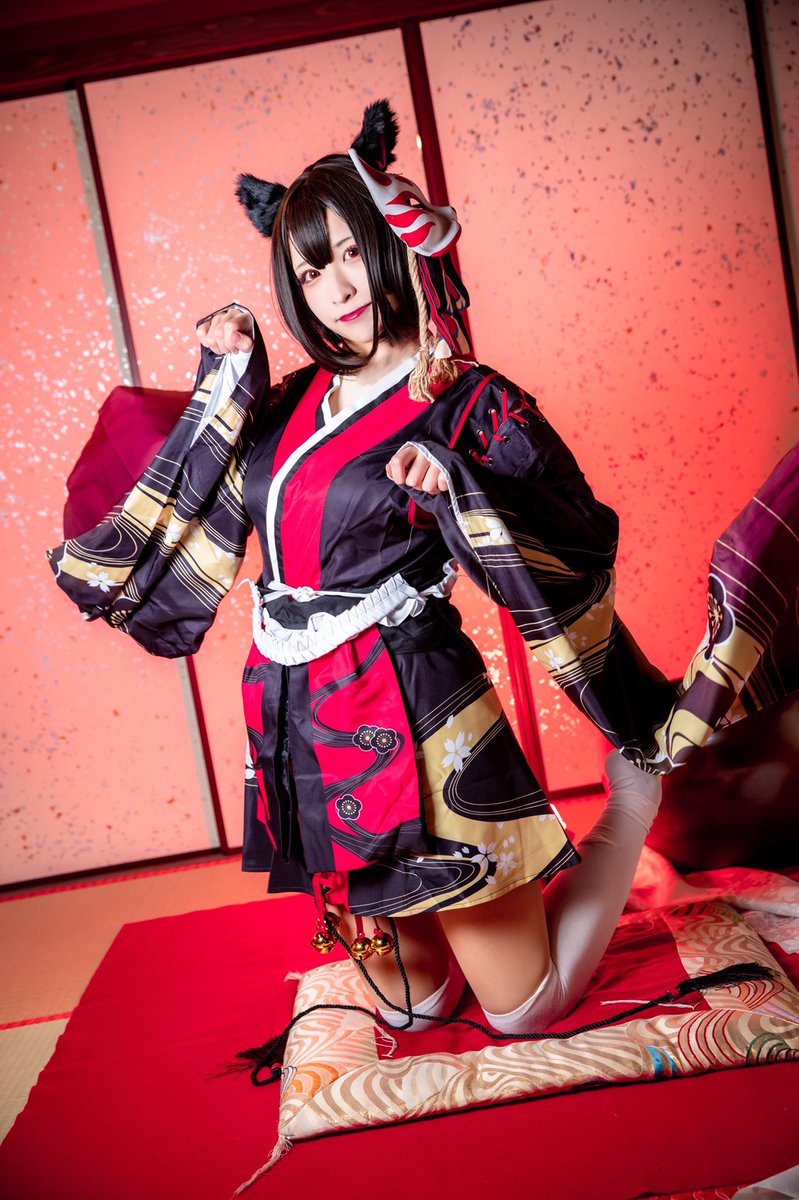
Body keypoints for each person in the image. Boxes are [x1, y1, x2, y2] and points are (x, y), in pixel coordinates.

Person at [47, 101, 792, 1038]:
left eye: (349, 252)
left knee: (521, 1009)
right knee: (413, 1008)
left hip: (416, 701)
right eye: (310, 270)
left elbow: (575, 529)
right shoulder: (285, 401)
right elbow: (199, 503)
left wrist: (456, 479)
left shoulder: (466, 397)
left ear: (389, 242)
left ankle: (630, 805)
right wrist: (221, 375)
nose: (336, 286)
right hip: (296, 708)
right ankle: (458, 926)